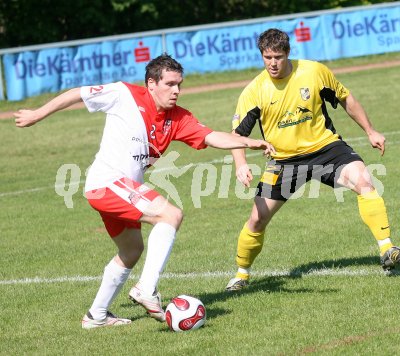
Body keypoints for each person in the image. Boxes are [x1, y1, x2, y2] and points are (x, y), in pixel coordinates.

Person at [14, 53, 274, 328]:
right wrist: (37, 114)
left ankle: (96, 316)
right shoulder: (124, 94)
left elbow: (210, 136)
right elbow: (79, 93)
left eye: (179, 85)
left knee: (131, 250)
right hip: (106, 183)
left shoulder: (178, 117)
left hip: (121, 189)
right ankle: (146, 289)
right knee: (170, 215)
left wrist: (247, 142)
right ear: (152, 83)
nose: (176, 91)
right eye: (170, 84)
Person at [225, 28, 400, 291]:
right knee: (257, 219)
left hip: (326, 148)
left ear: (288, 53)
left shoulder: (314, 72)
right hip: (285, 162)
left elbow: (346, 98)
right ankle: (241, 275)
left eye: (278, 56)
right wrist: (241, 164)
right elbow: (237, 135)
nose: (273, 63)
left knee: (364, 181)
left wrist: (370, 131)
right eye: (267, 57)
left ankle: (387, 249)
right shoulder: (254, 91)